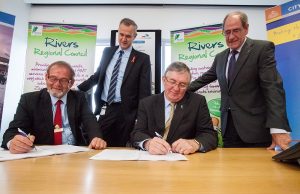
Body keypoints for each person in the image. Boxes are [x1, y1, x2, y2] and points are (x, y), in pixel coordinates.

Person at [189, 11, 291, 149]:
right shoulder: (220, 57)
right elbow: (203, 79)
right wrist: (178, 89)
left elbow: (273, 89)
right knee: (231, 169)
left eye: (236, 30)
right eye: (227, 32)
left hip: (256, 131)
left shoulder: (262, 49)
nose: (231, 36)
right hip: (228, 130)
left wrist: (278, 128)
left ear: (246, 29)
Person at [1, 61, 107, 154]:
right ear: (46, 77)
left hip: (75, 153)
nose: (57, 84)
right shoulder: (29, 100)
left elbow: (90, 121)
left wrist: (96, 138)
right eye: (53, 78)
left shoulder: (79, 98)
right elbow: (13, 131)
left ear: (71, 83)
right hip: (42, 156)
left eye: (64, 80)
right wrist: (12, 143)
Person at [77, 18, 151, 147]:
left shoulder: (142, 59)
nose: (124, 39)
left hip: (126, 112)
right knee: (99, 142)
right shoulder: (107, 52)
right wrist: (78, 89)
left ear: (134, 36)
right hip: (106, 107)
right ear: (118, 32)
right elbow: (97, 76)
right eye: (121, 34)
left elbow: (144, 91)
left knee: (119, 146)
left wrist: (141, 118)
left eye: (128, 36)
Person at [131, 62, 217, 155]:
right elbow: (137, 133)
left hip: (185, 162)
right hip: (152, 161)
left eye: (182, 84)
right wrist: (148, 143)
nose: (176, 88)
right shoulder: (147, 103)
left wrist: (194, 143)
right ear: (164, 80)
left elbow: (210, 136)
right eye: (172, 82)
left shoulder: (197, 102)